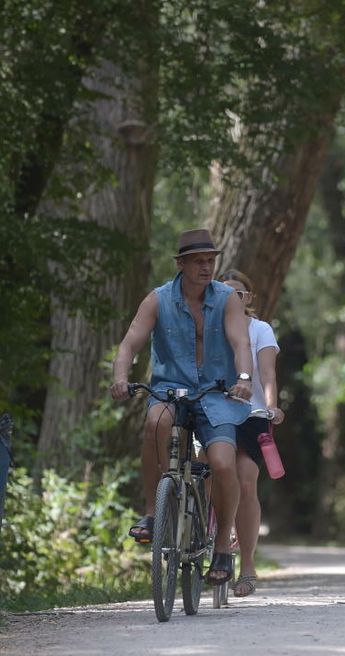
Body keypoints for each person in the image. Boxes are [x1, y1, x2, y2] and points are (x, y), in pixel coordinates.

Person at [109, 229, 253, 586]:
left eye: (211, 261)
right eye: (199, 261)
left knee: (221, 462)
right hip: (170, 390)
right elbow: (129, 344)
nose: (207, 267)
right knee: (154, 423)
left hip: (217, 393)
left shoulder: (226, 299)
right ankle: (152, 513)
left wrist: (245, 377)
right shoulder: (157, 300)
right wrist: (120, 377)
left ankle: (221, 550)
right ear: (182, 264)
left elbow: (240, 342)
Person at [218, 269, 285, 598]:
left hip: (251, 414)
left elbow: (268, 374)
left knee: (245, 478)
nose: (232, 298)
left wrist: (272, 406)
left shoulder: (260, 330)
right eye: (225, 292)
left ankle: (246, 565)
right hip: (213, 411)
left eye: (238, 293)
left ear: (249, 299)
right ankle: (207, 539)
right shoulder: (210, 327)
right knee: (209, 470)